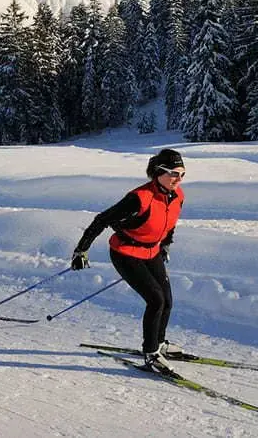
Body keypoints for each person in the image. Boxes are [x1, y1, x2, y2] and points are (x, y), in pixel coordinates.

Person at [70, 148, 186, 372]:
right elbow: (102, 219)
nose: (178, 179)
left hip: (151, 252)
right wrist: (81, 250)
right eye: (173, 173)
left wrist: (165, 245)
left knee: (167, 299)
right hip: (126, 254)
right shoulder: (140, 198)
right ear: (157, 172)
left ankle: (160, 344)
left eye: (182, 174)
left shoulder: (178, 196)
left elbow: (170, 223)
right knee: (155, 300)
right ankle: (150, 353)